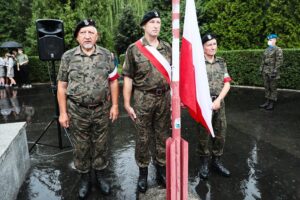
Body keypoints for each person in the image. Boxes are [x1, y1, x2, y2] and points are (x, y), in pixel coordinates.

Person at [57, 19, 119, 199]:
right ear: (77, 37)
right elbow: (62, 86)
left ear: (97, 36)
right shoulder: (68, 57)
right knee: (81, 147)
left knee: (101, 145)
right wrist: (63, 112)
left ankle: (100, 176)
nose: (87, 36)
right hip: (77, 111)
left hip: (101, 109)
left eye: (91, 32)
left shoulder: (107, 55)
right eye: (83, 33)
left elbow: (114, 81)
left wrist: (115, 105)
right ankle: (84, 178)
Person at [122, 10, 172, 193]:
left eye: (158, 22)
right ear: (144, 26)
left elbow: (174, 74)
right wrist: (127, 104)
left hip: (164, 97)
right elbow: (127, 77)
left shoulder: (167, 47)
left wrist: (175, 98)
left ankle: (161, 171)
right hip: (143, 98)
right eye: (152, 22)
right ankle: (143, 173)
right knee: (143, 137)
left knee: (162, 135)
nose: (156, 25)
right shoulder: (133, 49)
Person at [198, 33, 231, 179]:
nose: (213, 47)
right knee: (204, 134)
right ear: (203, 47)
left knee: (220, 133)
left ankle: (216, 161)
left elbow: (227, 83)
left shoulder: (221, 62)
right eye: (209, 44)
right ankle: (204, 162)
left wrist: (219, 100)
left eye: (214, 44)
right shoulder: (198, 63)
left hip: (219, 103)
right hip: (204, 104)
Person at [259, 33, 283, 110]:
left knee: (273, 87)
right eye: (268, 40)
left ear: (275, 40)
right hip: (265, 71)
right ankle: (267, 101)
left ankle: (272, 102)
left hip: (273, 71)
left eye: (271, 40)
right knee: (266, 87)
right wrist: (261, 69)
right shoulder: (266, 50)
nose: (269, 41)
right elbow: (263, 60)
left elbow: (279, 61)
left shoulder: (278, 49)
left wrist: (275, 71)